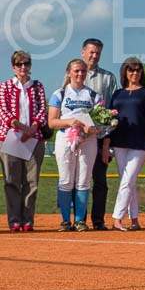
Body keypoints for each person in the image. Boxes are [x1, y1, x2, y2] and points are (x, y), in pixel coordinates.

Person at [47, 58, 102, 232]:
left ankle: (79, 221)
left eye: (83, 71)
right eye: (76, 71)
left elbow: (101, 122)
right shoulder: (60, 94)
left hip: (88, 140)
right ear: (69, 72)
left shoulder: (93, 95)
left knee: (84, 180)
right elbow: (51, 122)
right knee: (65, 180)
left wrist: (93, 129)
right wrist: (70, 121)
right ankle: (65, 220)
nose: (80, 74)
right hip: (66, 139)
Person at [106, 58, 145, 231]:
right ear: (125, 72)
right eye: (131, 70)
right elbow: (108, 120)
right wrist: (106, 145)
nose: (134, 73)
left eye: (137, 70)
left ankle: (117, 218)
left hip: (141, 143)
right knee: (127, 181)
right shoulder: (117, 94)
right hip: (119, 141)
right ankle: (135, 219)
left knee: (128, 179)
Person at [0, 51, 48, 232]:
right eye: (19, 64)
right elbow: (4, 111)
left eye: (26, 64)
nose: (23, 67)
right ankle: (14, 220)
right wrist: (21, 127)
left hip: (34, 140)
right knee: (11, 181)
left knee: (32, 182)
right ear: (13, 67)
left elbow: (42, 110)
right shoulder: (4, 86)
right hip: (10, 138)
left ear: (30, 66)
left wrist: (33, 129)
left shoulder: (38, 86)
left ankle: (27, 220)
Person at [82, 38, 117, 230]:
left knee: (100, 181)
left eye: (97, 53)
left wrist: (106, 144)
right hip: (78, 137)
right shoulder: (73, 73)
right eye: (91, 52)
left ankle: (98, 220)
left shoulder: (108, 78)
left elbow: (112, 112)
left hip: (100, 137)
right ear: (83, 52)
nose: (94, 56)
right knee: (79, 181)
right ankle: (79, 219)